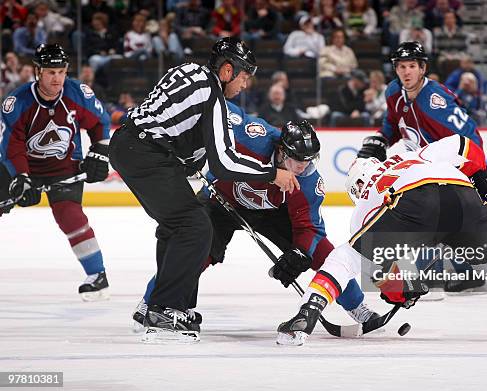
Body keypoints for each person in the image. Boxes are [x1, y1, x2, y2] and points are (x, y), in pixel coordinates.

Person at [276, 134, 487, 346]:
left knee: (345, 257)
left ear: (357, 186)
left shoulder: (364, 204)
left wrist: (402, 292)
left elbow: (383, 275)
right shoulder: (412, 157)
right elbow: (462, 143)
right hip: (464, 197)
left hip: (414, 201)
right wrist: (482, 177)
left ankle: (306, 315)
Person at [108, 37, 299, 343]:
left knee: (175, 226)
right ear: (227, 70)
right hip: (146, 152)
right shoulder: (213, 97)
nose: (245, 85)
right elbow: (224, 163)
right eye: (244, 76)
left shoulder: (187, 71)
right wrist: (271, 174)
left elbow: (169, 120)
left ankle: (164, 306)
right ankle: (164, 310)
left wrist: (183, 156)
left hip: (129, 144)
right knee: (195, 225)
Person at [131, 110, 380, 332]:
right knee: (194, 251)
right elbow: (216, 109)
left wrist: (300, 253)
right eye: (296, 161)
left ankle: (359, 308)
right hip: (220, 203)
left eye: (308, 161)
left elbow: (309, 228)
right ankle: (153, 301)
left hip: (272, 212)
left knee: (324, 253)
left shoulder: (308, 182)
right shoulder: (250, 138)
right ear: (281, 152)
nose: (303, 168)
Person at [355, 41, 487, 293]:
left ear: (422, 68)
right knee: (429, 214)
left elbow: (469, 137)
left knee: (439, 215)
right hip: (420, 168)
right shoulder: (394, 92)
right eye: (402, 66)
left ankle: (457, 271)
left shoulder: (435, 101)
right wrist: (378, 139)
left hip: (447, 167)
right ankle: (443, 271)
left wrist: (482, 172)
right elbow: (392, 123)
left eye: (412, 66)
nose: (407, 72)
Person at [0, 44, 111, 301]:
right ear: (37, 72)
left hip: (65, 167)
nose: (57, 78)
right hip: (21, 167)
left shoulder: (77, 94)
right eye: (51, 72)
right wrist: (21, 178)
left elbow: (100, 122)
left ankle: (97, 275)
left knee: (69, 215)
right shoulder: (17, 102)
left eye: (61, 72)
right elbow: (11, 147)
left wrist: (99, 153)